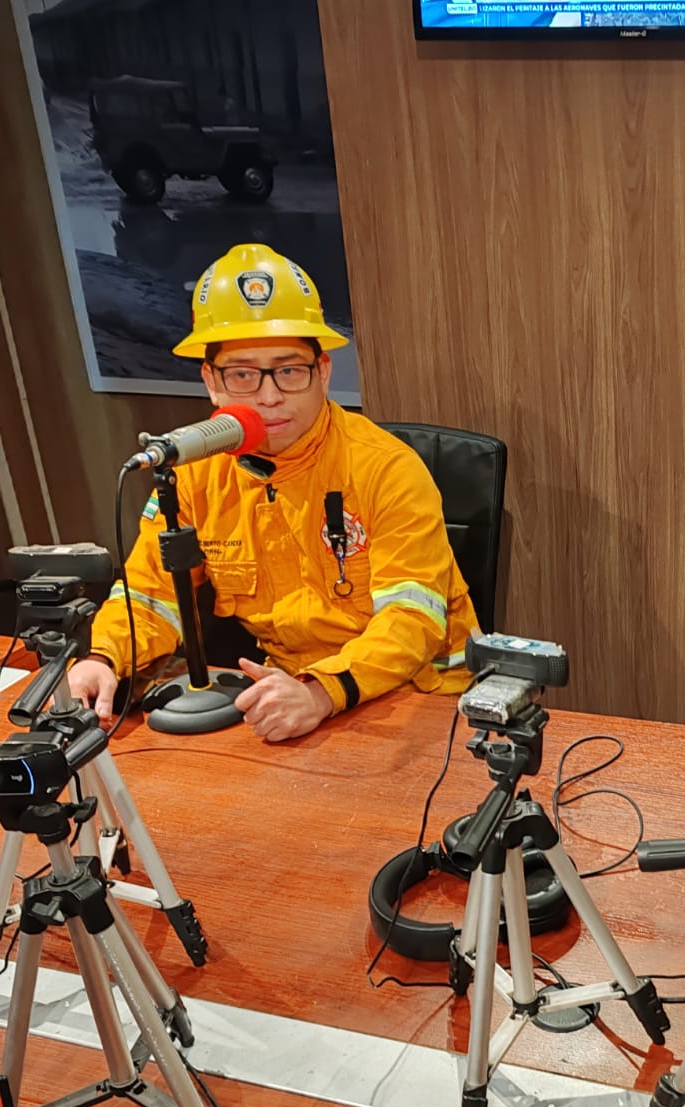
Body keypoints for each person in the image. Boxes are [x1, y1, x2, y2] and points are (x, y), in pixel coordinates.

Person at [69, 243, 477, 742]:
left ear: (323, 371)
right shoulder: (194, 473)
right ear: (211, 382)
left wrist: (321, 692)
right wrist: (103, 656)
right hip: (287, 697)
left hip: (424, 700)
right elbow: (153, 592)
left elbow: (413, 620)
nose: (268, 396)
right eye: (242, 374)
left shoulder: (386, 467)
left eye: (289, 370)